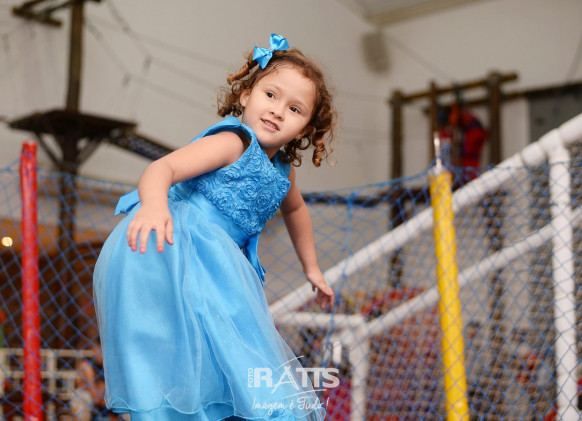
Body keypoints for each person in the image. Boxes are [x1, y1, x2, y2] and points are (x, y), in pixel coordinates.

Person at [93, 34, 336, 421]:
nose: (277, 111)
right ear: (245, 95)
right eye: (270, 95)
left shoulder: (282, 170)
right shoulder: (232, 142)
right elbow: (162, 168)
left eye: (294, 109)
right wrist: (154, 206)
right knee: (176, 346)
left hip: (220, 265)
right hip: (173, 245)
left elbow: (296, 210)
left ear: (304, 129)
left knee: (227, 352)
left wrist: (312, 268)